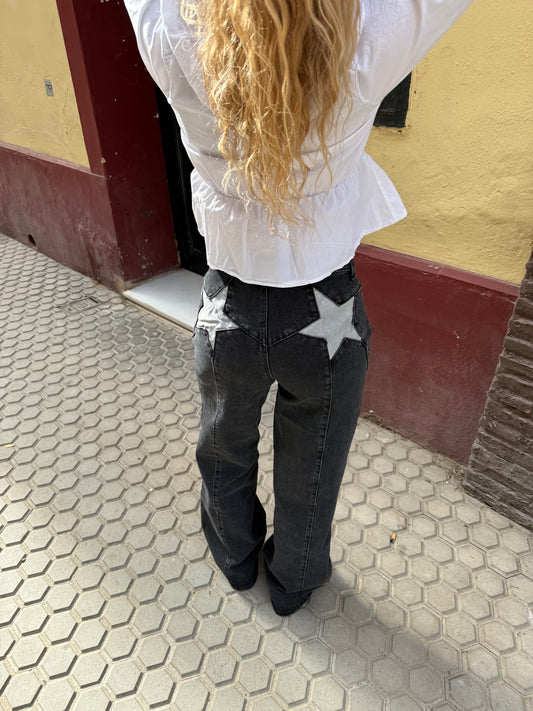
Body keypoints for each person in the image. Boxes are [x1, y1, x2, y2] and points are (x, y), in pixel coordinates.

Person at [124, 0, 475, 615]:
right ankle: (293, 583)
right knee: (316, 458)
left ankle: (235, 560)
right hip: (326, 310)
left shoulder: (172, 27)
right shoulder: (367, 38)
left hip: (228, 304)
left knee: (223, 444)